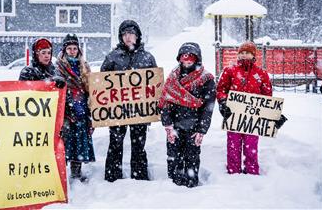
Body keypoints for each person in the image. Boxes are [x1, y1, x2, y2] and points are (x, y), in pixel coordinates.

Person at [216, 41, 287, 175]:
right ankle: (233, 172)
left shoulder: (261, 74)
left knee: (251, 146)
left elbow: (267, 96)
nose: (244, 55)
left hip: (253, 119)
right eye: (241, 53)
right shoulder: (230, 71)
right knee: (233, 146)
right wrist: (223, 102)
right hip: (233, 116)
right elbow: (221, 89)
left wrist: (273, 115)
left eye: (247, 53)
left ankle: (252, 172)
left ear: (253, 55)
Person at [101, 20, 157, 182]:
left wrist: (151, 108)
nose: (128, 37)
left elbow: (154, 84)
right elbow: (102, 84)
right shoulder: (112, 57)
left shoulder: (147, 57)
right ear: (121, 37)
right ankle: (112, 177)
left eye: (131, 33)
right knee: (115, 143)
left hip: (140, 110)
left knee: (139, 145)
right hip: (117, 111)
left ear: (137, 36)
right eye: (125, 34)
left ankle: (139, 177)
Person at [158, 42, 216, 188]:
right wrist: (168, 125)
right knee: (174, 158)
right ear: (179, 59)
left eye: (191, 56)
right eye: (184, 57)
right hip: (175, 127)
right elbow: (165, 103)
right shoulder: (172, 78)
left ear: (197, 58)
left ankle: (192, 187)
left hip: (194, 128)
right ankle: (173, 187)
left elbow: (208, 108)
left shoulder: (207, 79)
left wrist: (201, 130)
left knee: (192, 158)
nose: (187, 60)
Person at [56, 33, 95, 182]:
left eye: (75, 48)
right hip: (65, 109)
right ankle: (61, 173)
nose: (72, 51)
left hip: (82, 108)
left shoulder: (84, 66)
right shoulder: (59, 67)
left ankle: (76, 172)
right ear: (65, 49)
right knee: (65, 141)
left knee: (79, 140)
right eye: (69, 48)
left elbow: (91, 86)